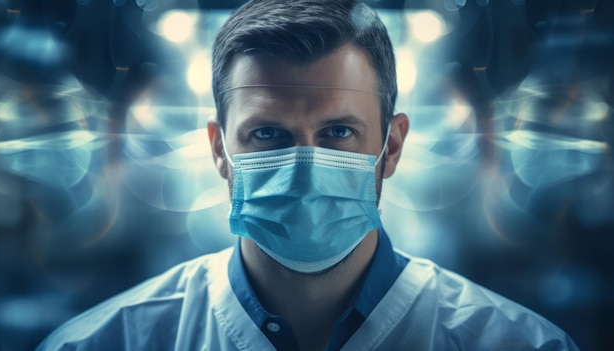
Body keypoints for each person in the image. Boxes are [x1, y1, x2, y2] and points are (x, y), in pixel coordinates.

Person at [36, 0, 579, 350]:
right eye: (267, 134)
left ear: (390, 147)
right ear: (219, 150)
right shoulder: (104, 343)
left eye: (339, 132)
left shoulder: (516, 344)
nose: (303, 166)